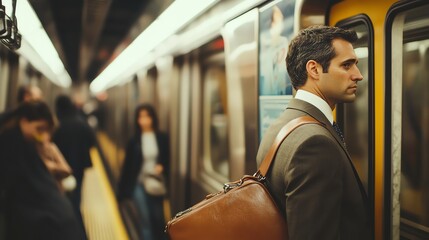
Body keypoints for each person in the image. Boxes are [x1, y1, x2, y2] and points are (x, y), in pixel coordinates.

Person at [256, 25, 371, 239]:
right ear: (314, 70)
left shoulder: (281, 125)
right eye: (347, 65)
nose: (358, 75)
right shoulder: (315, 143)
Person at [0, 100, 85, 239]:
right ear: (24, 121)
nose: (43, 136)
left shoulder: (27, 142)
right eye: (39, 129)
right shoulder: (13, 143)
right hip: (50, 221)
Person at [117, 103, 170, 240]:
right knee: (145, 220)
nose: (144, 120)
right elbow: (127, 166)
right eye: (141, 117)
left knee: (158, 218)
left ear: (153, 118)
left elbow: (166, 159)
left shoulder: (161, 137)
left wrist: (161, 166)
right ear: (137, 120)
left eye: (147, 116)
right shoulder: (134, 141)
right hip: (138, 184)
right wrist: (121, 192)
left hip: (155, 182)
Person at [52, 95, 95, 239]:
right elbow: (92, 141)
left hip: (61, 171)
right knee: (76, 200)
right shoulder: (81, 122)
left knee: (65, 202)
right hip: (79, 168)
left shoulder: (59, 125)